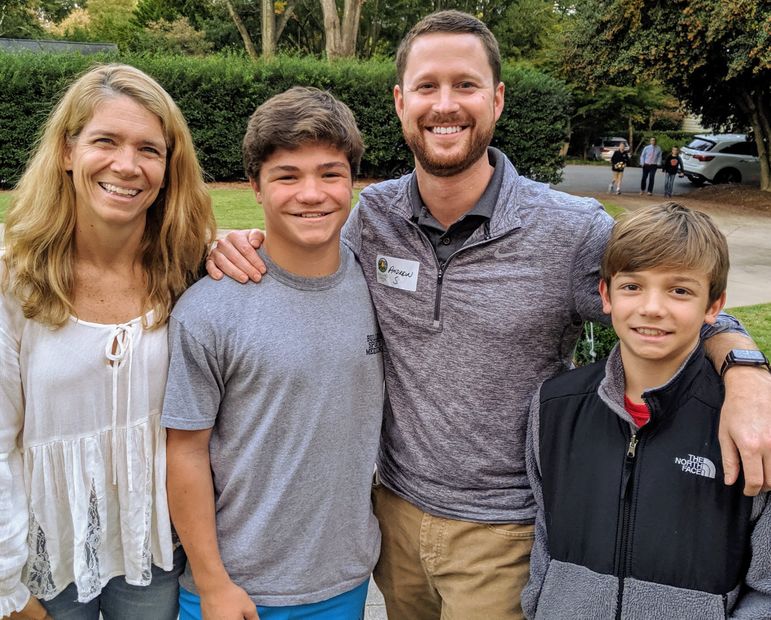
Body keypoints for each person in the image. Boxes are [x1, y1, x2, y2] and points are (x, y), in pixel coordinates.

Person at [208, 11, 771, 620]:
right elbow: (300, 246)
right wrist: (233, 242)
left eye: (465, 85)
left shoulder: (570, 230)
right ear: (401, 102)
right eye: (427, 86)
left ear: (497, 99)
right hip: (391, 520)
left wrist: (744, 369)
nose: (444, 105)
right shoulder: (369, 218)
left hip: (506, 534)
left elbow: (663, 299)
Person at [0, 64, 216, 619]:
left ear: (169, 168)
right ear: (68, 151)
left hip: (155, 552)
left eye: (149, 149)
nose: (127, 165)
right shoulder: (13, 278)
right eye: (106, 141)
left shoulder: (191, 270)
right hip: (46, 563)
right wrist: (8, 590)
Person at [162, 87, 384, 620]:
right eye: (287, 176)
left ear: (352, 182)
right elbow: (185, 452)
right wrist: (214, 584)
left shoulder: (375, 283)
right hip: (237, 591)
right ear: (256, 188)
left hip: (343, 581)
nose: (312, 193)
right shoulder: (210, 308)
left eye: (330, 174)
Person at [522, 203, 771, 619]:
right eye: (633, 286)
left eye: (680, 290)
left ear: (714, 305)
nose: (652, 307)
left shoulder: (749, 422)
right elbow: (544, 542)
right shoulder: (555, 407)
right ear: (605, 295)